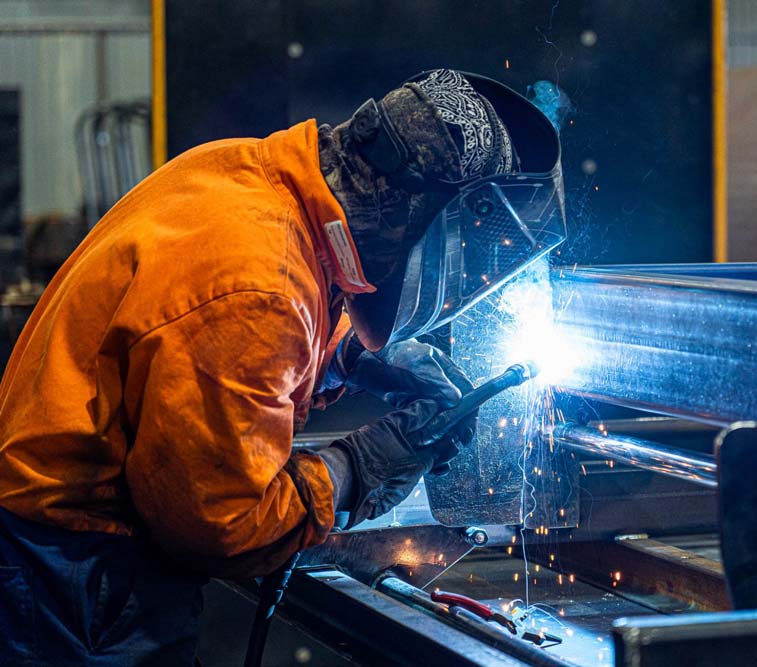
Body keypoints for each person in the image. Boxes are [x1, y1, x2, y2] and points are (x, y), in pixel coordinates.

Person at [0, 69, 565, 665]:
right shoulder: (258, 287)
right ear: (423, 216)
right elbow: (223, 527)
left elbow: (235, 330)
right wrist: (362, 466)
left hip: (57, 552)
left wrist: (350, 354)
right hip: (73, 582)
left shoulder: (251, 176)